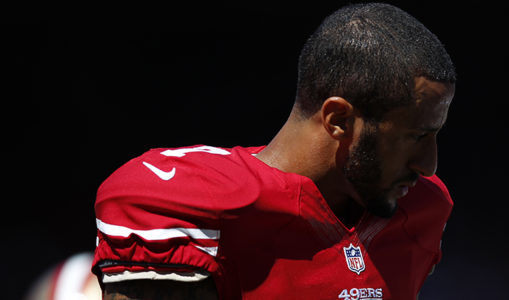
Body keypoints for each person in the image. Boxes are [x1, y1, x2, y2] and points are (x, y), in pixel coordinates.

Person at [92, 2, 457, 299]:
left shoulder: (420, 210)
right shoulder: (192, 206)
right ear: (338, 119)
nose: (429, 166)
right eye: (416, 137)